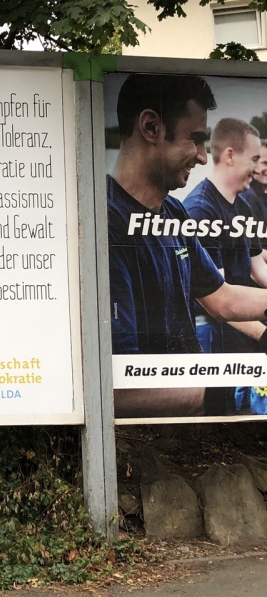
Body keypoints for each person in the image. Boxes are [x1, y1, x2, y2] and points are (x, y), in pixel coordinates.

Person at [108, 73, 267, 418]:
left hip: (191, 423)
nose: (201, 157)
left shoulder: (174, 211)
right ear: (150, 127)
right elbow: (117, 389)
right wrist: (232, 392)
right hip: (150, 440)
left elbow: (221, 298)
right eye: (194, 139)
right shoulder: (104, 221)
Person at [183, 119, 267, 412]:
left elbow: (258, 269)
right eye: (254, 159)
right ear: (230, 155)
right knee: (222, 416)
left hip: (242, 328)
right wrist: (263, 334)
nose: (257, 169)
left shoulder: (243, 205)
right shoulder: (200, 210)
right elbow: (216, 302)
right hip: (212, 334)